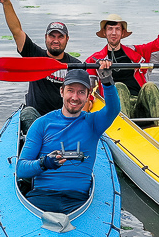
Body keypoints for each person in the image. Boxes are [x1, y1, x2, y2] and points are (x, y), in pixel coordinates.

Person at [17, 63, 119, 214]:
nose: (75, 97)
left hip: (79, 201)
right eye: (70, 91)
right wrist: (44, 163)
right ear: (61, 91)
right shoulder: (41, 124)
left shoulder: (93, 123)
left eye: (81, 92)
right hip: (41, 197)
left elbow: (113, 109)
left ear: (88, 95)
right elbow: (21, 169)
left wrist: (107, 80)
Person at [0, 0, 79, 132]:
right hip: (36, 117)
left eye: (60, 37)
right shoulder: (34, 54)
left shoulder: (76, 65)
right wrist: (6, 3)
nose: (56, 40)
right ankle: (36, 143)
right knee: (27, 112)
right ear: (46, 38)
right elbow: (17, 31)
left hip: (64, 119)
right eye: (52, 36)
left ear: (67, 39)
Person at [84, 7, 159, 121]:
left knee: (150, 86)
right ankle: (122, 127)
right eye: (110, 29)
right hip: (114, 107)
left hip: (139, 103)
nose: (114, 33)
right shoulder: (94, 60)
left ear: (123, 33)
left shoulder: (138, 53)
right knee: (119, 86)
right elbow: (86, 86)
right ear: (105, 32)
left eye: (117, 29)